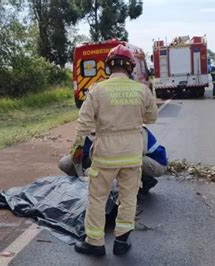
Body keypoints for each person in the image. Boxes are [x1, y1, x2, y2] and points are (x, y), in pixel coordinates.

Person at [70, 44, 157, 256]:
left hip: (106, 155)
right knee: (128, 198)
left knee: (97, 199)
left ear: (108, 67)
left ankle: (95, 243)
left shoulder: (98, 90)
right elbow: (151, 117)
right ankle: (121, 242)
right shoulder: (141, 90)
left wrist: (77, 148)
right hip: (132, 154)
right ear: (130, 67)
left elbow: (83, 123)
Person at [58, 126, 168, 194]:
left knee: (130, 159)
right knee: (65, 163)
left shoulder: (135, 129)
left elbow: (133, 154)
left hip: (154, 163)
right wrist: (81, 180)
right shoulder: (83, 133)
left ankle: (142, 180)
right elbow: (76, 156)